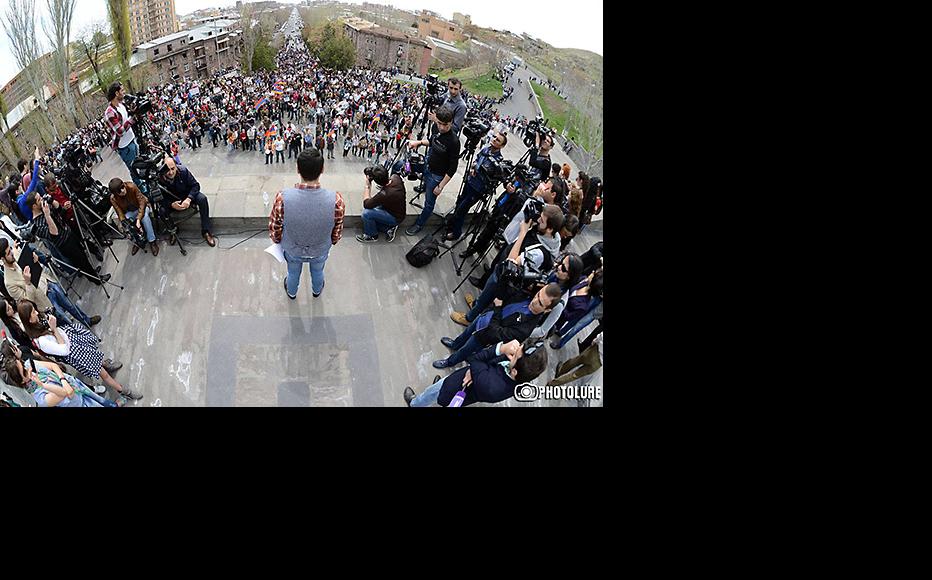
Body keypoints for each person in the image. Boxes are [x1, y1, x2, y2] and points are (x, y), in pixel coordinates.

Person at [451, 210, 564, 327]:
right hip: (502, 271)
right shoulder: (548, 236)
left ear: (550, 229)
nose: (538, 220)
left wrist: (523, 232)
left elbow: (512, 261)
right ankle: (476, 306)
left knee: (488, 296)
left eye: (542, 220)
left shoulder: (540, 253)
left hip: (506, 279)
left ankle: (469, 318)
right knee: (485, 294)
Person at [17, 301, 140, 400]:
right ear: (29, 319)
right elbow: (64, 350)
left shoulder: (39, 322)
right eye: (33, 312)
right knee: (103, 374)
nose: (37, 312)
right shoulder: (41, 341)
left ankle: (106, 366)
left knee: (96, 355)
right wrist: (54, 329)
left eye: (35, 309)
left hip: (73, 340)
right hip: (74, 352)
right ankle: (122, 390)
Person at [268, 148, 344, 299]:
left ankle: (292, 292)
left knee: (293, 272)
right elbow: (337, 231)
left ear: (297, 168)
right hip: (320, 249)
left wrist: (278, 241)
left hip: (293, 249)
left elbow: (275, 227)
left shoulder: (282, 198)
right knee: (317, 271)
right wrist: (331, 242)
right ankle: (316, 291)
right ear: (322, 169)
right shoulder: (336, 200)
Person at [433, 282, 562, 369]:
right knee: (465, 333)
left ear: (547, 310)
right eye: (538, 295)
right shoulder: (527, 294)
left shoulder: (525, 329)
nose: (534, 301)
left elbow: (496, 333)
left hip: (484, 336)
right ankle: (455, 344)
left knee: (466, 349)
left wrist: (497, 308)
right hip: (484, 317)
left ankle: (450, 361)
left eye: (540, 303)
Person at [404, 338, 549, 407]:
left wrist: (501, 348)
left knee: (434, 392)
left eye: (517, 353)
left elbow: (475, 359)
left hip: (454, 388)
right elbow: (486, 364)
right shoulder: (519, 376)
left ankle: (415, 403)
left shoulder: (492, 387)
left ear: (516, 371)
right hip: (470, 382)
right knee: (437, 390)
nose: (515, 349)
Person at [0, 238, 102, 329]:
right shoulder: (9, 282)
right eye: (8, 253)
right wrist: (28, 283)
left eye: (11, 249)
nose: (12, 253)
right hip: (45, 302)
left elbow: (34, 267)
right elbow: (28, 303)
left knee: (72, 306)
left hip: (49, 284)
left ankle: (87, 321)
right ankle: (81, 339)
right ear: (2, 259)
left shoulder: (17, 254)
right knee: (66, 322)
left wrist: (35, 260)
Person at [26, 191, 109, 285]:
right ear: (34, 206)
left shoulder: (45, 208)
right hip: (65, 244)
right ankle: (97, 280)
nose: (42, 200)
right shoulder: (38, 226)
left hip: (69, 233)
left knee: (83, 256)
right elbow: (54, 233)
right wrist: (47, 215)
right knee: (80, 261)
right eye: (39, 199)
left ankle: (92, 272)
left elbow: (59, 211)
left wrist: (52, 201)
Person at [2, 342, 119, 407]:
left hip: (77, 387)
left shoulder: (29, 364)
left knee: (100, 400)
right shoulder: (40, 397)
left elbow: (53, 366)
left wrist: (62, 378)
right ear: (22, 381)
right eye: (23, 371)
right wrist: (43, 385)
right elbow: (66, 393)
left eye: (22, 364)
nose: (27, 369)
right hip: (79, 403)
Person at [404, 105, 460, 236]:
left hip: (436, 177)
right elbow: (432, 140)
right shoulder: (437, 129)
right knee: (403, 164)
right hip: (427, 165)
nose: (441, 127)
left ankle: (419, 224)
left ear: (451, 123)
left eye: (445, 125)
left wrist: (440, 186)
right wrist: (418, 142)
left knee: (429, 203)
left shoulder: (454, 141)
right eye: (439, 123)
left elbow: (453, 168)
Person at [444, 130, 507, 242]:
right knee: (459, 203)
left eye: (498, 140)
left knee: (462, 210)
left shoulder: (499, 162)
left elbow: (492, 179)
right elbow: (477, 160)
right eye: (494, 137)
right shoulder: (485, 149)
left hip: (477, 189)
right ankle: (451, 225)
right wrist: (473, 167)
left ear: (502, 146)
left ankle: (456, 233)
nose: (494, 140)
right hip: (469, 182)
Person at [159, 156, 216, 247]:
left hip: (187, 195)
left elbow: (195, 186)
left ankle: (206, 231)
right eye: (167, 170)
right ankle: (173, 230)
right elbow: (160, 199)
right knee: (162, 211)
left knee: (202, 199)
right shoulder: (159, 178)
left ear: (176, 166)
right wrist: (171, 205)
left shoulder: (183, 171)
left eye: (173, 168)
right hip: (172, 200)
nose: (170, 172)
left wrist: (189, 199)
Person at [104, 81, 142, 188]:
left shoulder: (121, 104)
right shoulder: (109, 113)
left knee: (140, 164)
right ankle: (142, 190)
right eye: (122, 90)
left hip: (132, 139)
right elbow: (120, 131)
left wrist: (133, 111)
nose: (124, 92)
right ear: (116, 93)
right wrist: (133, 119)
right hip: (125, 147)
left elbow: (126, 118)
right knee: (134, 169)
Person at [109, 178, 158, 257]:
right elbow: (119, 212)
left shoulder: (132, 187)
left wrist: (138, 219)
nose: (122, 190)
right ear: (115, 193)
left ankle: (152, 241)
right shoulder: (113, 198)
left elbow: (142, 203)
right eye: (119, 191)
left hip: (143, 207)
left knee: (145, 218)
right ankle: (137, 241)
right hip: (130, 212)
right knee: (128, 223)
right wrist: (124, 222)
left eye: (122, 187)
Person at [356, 165, 405, 243]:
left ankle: (372, 235)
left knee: (366, 214)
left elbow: (366, 204)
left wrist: (367, 185)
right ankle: (388, 228)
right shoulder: (395, 178)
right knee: (372, 214)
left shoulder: (385, 194)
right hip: (396, 211)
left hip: (394, 217)